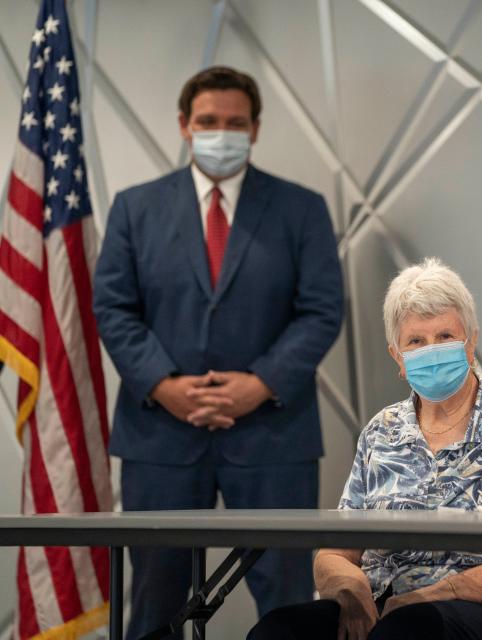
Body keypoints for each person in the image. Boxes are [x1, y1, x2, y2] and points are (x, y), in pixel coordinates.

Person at [93, 66, 343, 636]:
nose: (220, 133)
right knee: (154, 608)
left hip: (275, 436)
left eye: (234, 123)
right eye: (208, 121)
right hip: (160, 436)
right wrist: (164, 385)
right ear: (184, 125)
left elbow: (322, 309)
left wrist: (260, 383)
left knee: (287, 607)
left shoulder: (301, 209)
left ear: (255, 129)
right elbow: (112, 308)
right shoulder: (135, 208)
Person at [248, 258, 482, 640]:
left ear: (471, 343)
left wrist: (432, 594)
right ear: (397, 356)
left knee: (407, 632)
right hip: (388, 609)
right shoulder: (381, 431)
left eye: (446, 336)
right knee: (276, 631)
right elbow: (335, 554)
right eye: (416, 341)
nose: (432, 350)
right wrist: (353, 595)